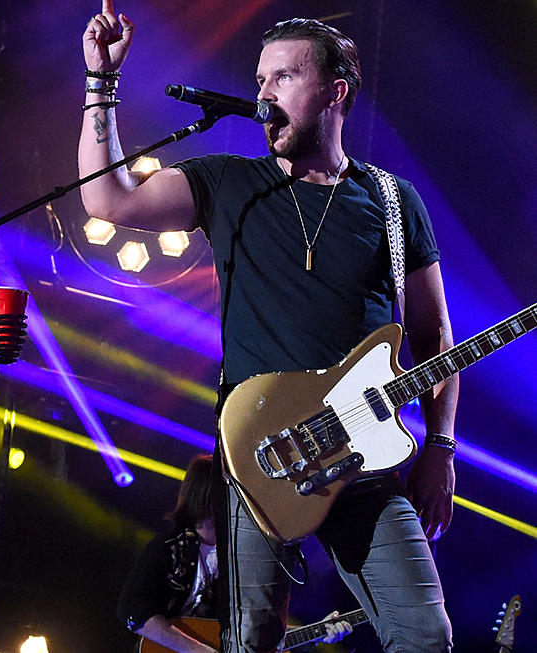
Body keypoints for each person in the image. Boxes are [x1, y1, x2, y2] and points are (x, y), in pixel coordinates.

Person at [80, 3, 458, 652]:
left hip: (365, 458)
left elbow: (433, 337)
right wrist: (101, 84)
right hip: (261, 456)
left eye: (282, 77)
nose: (262, 93)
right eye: (259, 80)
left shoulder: (394, 202)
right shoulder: (230, 183)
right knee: (251, 638)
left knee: (424, 634)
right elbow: (107, 200)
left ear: (335, 92)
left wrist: (442, 448)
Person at [118, 455, 351, 653]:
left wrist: (317, 633)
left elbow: (256, 628)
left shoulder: (242, 555)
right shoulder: (167, 548)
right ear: (208, 495)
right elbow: (135, 614)